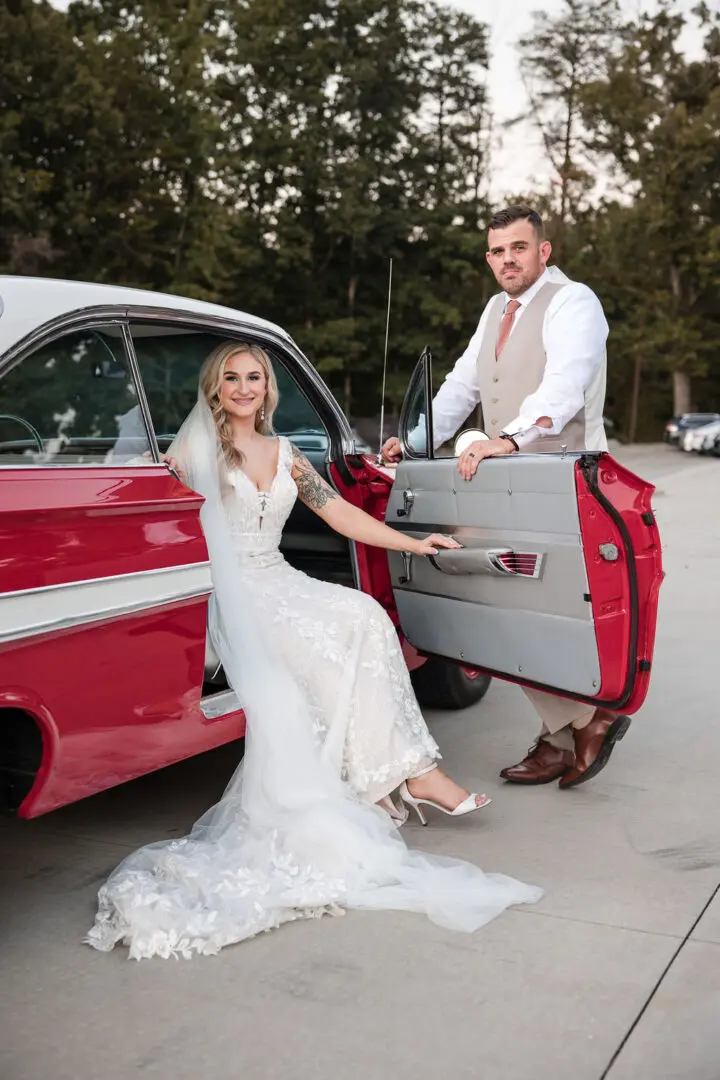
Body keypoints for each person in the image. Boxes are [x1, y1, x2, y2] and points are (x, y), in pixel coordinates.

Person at [85, 340, 542, 960]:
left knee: (363, 615)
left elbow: (341, 516)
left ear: (267, 388)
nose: (244, 387)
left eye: (254, 377)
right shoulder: (196, 450)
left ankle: (397, 775)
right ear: (214, 388)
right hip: (229, 597)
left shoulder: (287, 454)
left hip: (278, 579)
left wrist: (411, 544)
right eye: (231, 378)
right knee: (331, 644)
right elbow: (148, 509)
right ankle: (411, 777)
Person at [382, 204, 630, 790]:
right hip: (506, 477)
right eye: (496, 251)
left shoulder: (575, 302)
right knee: (507, 605)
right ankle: (576, 725)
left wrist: (510, 438)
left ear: (544, 251)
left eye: (518, 248)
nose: (506, 260)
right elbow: (463, 384)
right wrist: (415, 440)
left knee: (547, 607)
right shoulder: (496, 309)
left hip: (562, 477)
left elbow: (565, 382)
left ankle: (568, 730)